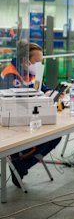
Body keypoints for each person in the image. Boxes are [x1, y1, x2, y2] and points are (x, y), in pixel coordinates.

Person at [1, 41, 61, 188]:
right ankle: (18, 163)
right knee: (44, 139)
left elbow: (42, 88)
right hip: (13, 119)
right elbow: (17, 103)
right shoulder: (11, 74)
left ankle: (21, 165)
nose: (39, 65)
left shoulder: (32, 72)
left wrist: (50, 93)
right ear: (25, 61)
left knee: (54, 136)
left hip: (32, 115)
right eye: (37, 61)